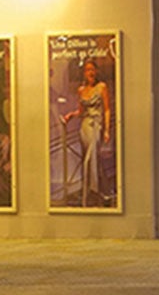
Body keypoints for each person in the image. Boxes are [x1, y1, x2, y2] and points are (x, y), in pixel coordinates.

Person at [61, 57, 112, 207]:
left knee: (92, 158)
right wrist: (71, 115)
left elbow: (107, 109)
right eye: (87, 70)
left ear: (96, 71)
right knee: (91, 159)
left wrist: (107, 130)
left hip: (96, 125)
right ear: (84, 73)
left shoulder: (102, 87)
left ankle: (91, 193)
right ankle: (105, 192)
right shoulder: (81, 90)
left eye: (92, 69)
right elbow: (81, 110)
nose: (90, 72)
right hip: (84, 127)